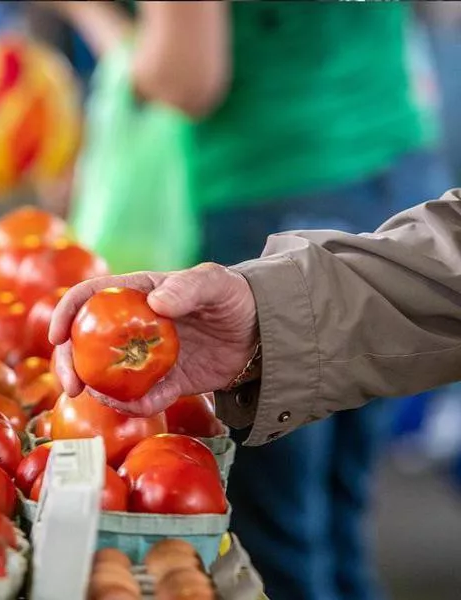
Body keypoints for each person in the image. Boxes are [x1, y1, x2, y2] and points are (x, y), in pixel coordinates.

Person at [50, 3, 451, 599]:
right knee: (341, 509)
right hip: (404, 173)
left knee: (279, 533)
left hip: (270, 188)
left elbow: (188, 80)